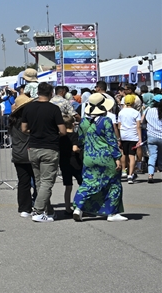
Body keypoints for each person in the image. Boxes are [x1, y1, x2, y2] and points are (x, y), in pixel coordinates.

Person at [71, 93, 126, 221]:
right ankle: (112, 213)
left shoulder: (84, 121)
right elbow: (111, 141)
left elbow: (80, 139)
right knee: (113, 184)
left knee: (89, 182)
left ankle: (78, 207)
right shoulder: (106, 121)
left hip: (89, 157)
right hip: (105, 157)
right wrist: (117, 157)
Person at [20, 82, 67, 222]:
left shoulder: (28, 108)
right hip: (50, 148)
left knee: (40, 181)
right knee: (47, 181)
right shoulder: (54, 109)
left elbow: (24, 129)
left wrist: (33, 132)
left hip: (33, 147)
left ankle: (48, 210)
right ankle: (38, 211)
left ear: (37, 92)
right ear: (51, 93)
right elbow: (63, 131)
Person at [9, 91, 35, 217]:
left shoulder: (12, 121)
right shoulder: (26, 122)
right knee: (37, 181)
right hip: (30, 153)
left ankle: (24, 207)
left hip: (18, 153)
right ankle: (37, 204)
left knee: (23, 182)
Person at [117, 94, 143, 184]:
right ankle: (130, 175)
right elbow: (138, 126)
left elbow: (119, 125)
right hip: (133, 135)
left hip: (124, 135)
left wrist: (119, 137)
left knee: (125, 154)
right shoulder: (136, 113)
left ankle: (125, 170)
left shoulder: (121, 112)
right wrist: (140, 138)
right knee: (132, 156)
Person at [145, 95, 162, 183]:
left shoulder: (149, 110)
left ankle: (150, 175)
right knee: (161, 156)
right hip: (161, 136)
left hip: (151, 136)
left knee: (152, 156)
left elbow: (142, 121)